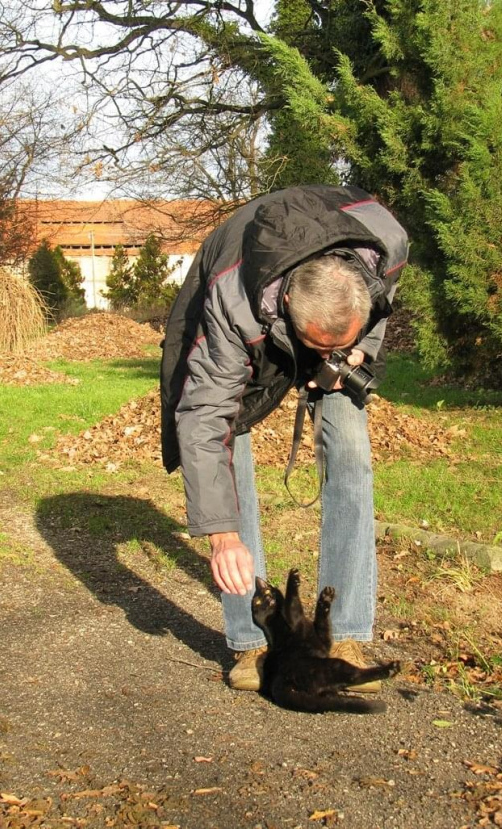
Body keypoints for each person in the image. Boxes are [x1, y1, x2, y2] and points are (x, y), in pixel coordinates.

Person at [160, 185, 408, 691]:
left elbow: (381, 312)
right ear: (291, 304)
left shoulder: (386, 243)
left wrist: (355, 355)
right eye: (319, 345)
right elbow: (207, 418)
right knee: (234, 459)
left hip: (330, 306)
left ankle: (345, 633)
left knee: (352, 453)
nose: (327, 354)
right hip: (243, 317)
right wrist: (222, 535)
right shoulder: (234, 300)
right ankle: (249, 641)